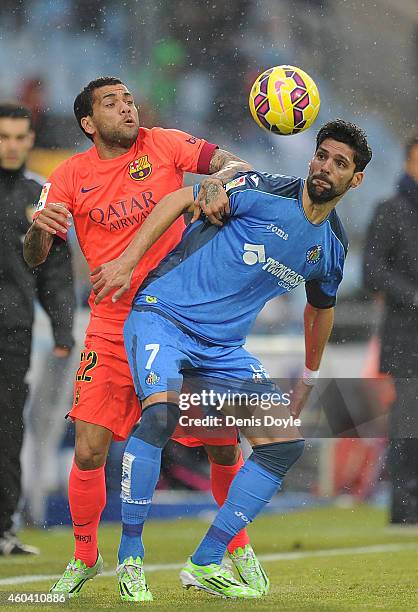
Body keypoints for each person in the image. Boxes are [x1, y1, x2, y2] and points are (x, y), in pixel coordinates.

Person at [92, 119, 372, 599]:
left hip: (222, 350)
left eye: (339, 163)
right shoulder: (263, 189)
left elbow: (321, 309)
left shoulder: (331, 248)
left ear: (355, 179)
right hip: (164, 316)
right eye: (322, 155)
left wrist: (310, 372)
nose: (326, 167)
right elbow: (182, 199)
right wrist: (127, 260)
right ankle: (130, 558)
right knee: (160, 415)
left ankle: (205, 562)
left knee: (285, 443)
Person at [23, 76, 267, 600]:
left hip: (183, 321)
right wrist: (41, 228)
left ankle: (237, 547)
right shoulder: (67, 176)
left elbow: (234, 162)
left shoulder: (165, 143)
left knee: (223, 445)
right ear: (89, 123)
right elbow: (34, 256)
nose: (127, 107)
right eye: (111, 103)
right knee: (89, 449)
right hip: (112, 326)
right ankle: (85, 556)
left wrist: (218, 177)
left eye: (129, 98)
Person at [0, 103, 74, 555]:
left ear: (30, 140)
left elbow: (56, 272)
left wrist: (63, 331)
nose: (11, 145)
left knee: (8, 427)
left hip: (13, 329)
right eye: (3, 136)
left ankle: (2, 529)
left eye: (18, 137)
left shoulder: (41, 198)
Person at [363, 135, 418, 525]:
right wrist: (414, 298)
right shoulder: (390, 210)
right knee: (409, 423)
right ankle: (405, 506)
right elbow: (372, 272)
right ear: (408, 162)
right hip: (406, 336)